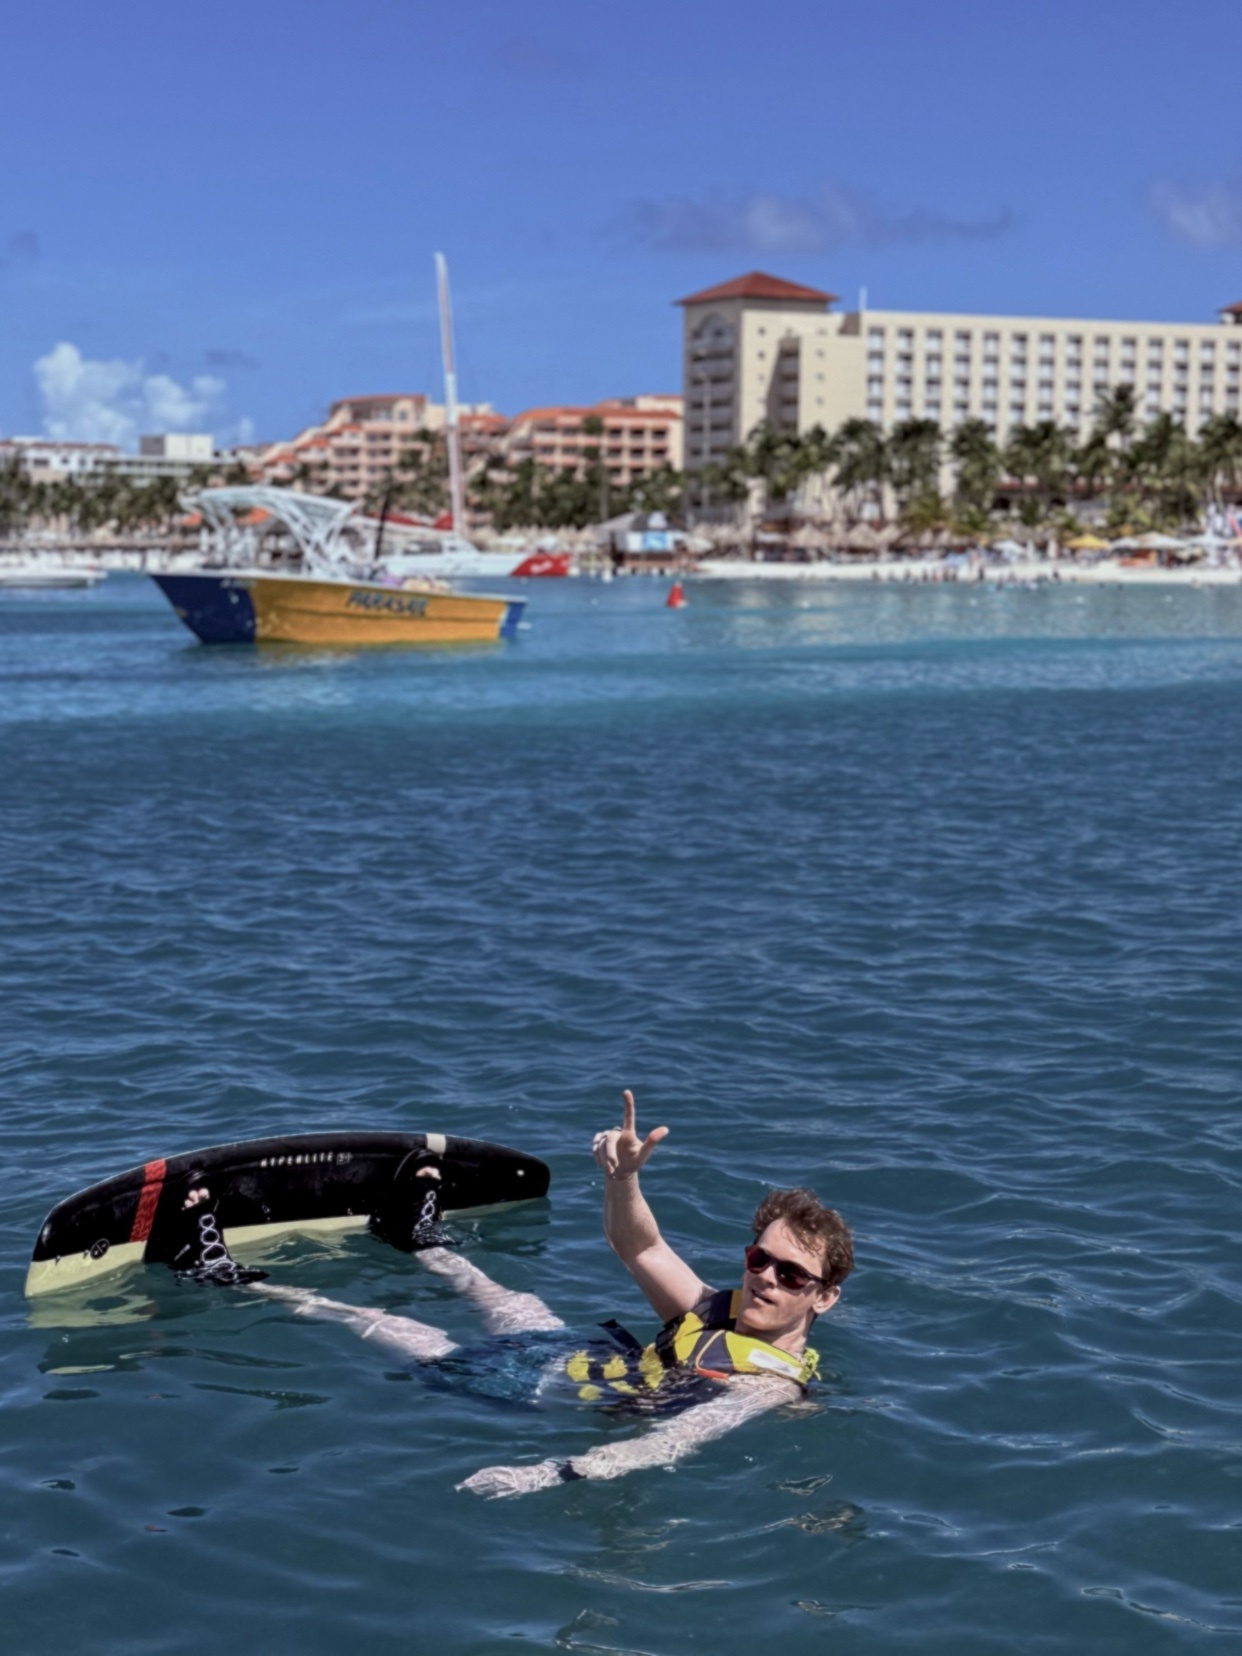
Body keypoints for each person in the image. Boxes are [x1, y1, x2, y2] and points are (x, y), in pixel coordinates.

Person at [253, 1090, 853, 1499]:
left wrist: (549, 1473)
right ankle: (416, 1238)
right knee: (496, 1291)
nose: (766, 1278)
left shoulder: (764, 1385)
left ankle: (250, 1283)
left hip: (533, 1391)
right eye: (759, 1258)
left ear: (823, 1298)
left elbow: (668, 1443)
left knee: (390, 1325)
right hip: (573, 1354)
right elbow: (639, 1247)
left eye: (792, 1275)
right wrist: (623, 1179)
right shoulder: (710, 1307)